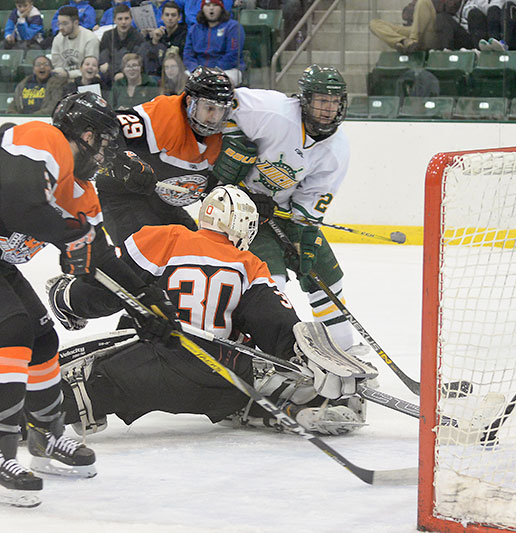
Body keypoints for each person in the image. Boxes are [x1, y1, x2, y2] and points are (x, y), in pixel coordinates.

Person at [49, 185, 371, 437]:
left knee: (86, 390)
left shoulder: (161, 238)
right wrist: (305, 361)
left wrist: (69, 298)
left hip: (153, 366)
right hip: (222, 374)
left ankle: (37, 410)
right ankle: (292, 403)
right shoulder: (249, 263)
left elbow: (110, 289)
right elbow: (275, 322)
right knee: (261, 380)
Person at [0, 91, 177, 505]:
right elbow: (17, 200)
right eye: (104, 144)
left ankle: (46, 434)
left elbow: (101, 257)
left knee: (42, 338)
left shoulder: (80, 192)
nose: (105, 156)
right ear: (83, 134)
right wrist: (68, 235)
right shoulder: (43, 139)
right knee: (12, 329)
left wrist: (149, 301)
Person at [216, 65, 363, 354]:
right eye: (321, 100)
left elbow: (310, 202)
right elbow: (223, 101)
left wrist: (304, 237)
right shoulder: (274, 111)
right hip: (239, 210)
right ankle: (266, 349)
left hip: (281, 212)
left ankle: (342, 350)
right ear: (305, 100)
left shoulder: (337, 150)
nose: (328, 109)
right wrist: (233, 144)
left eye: (333, 102)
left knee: (326, 274)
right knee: (273, 284)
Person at [95, 66, 231, 247]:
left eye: (220, 111)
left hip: (163, 203)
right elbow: (109, 126)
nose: (214, 117)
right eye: (209, 108)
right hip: (123, 198)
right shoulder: (162, 115)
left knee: (199, 251)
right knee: (148, 257)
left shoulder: (221, 138)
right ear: (191, 101)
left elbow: (210, 187)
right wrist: (127, 161)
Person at [183, 0, 246, 86]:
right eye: (208, 5)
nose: (211, 8)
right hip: (199, 71)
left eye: (215, 5)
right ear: (202, 9)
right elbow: (188, 55)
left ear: (221, 8)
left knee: (220, 83)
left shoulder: (233, 27)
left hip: (227, 69)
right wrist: (197, 70)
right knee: (182, 79)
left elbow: (233, 55)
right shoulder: (194, 29)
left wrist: (213, 71)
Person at [99, 4, 145, 85]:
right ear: (114, 20)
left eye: (126, 18)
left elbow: (138, 62)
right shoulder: (107, 36)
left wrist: (123, 73)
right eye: (120, 19)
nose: (123, 22)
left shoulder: (138, 37)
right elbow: (103, 63)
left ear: (131, 19)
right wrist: (115, 73)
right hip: (109, 77)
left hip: (131, 76)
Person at [51, 6, 101, 80]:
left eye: (65, 24)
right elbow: (57, 65)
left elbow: (91, 70)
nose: (60, 28)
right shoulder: (58, 39)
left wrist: (68, 74)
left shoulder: (90, 39)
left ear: (76, 23)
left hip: (85, 81)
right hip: (64, 80)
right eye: (59, 24)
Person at [138, 1, 187, 77]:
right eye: (167, 15)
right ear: (162, 17)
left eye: (173, 15)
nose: (170, 18)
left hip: (179, 73)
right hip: (160, 73)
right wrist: (155, 41)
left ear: (179, 17)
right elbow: (150, 59)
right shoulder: (159, 34)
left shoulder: (185, 34)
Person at [369, 0, 437, 53]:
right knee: (373, 23)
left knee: (423, 2)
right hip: (412, 30)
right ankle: (402, 41)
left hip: (431, 31)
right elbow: (405, 15)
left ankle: (413, 41)